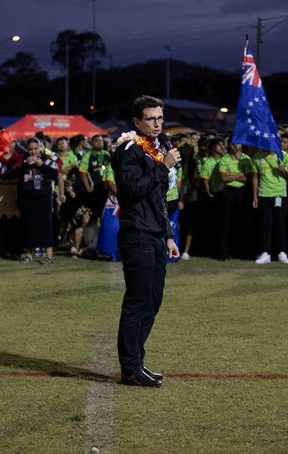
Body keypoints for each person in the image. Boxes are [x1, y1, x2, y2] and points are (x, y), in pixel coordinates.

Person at [112, 95, 180, 388]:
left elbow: (158, 199)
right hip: (136, 234)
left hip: (154, 234)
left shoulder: (155, 148)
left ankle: (137, 361)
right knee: (137, 302)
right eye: (151, 119)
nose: (157, 124)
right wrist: (163, 167)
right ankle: (129, 368)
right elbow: (130, 192)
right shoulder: (129, 150)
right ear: (137, 122)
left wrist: (168, 235)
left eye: (160, 118)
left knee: (153, 301)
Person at [13, 137, 59, 263]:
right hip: (26, 198)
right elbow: (14, 173)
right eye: (30, 149)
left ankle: (48, 256)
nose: (33, 152)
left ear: (40, 148)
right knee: (27, 226)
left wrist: (42, 166)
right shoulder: (22, 159)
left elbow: (54, 173)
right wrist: (25, 165)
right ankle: (28, 254)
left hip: (43, 198)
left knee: (46, 226)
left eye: (35, 149)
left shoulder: (48, 160)